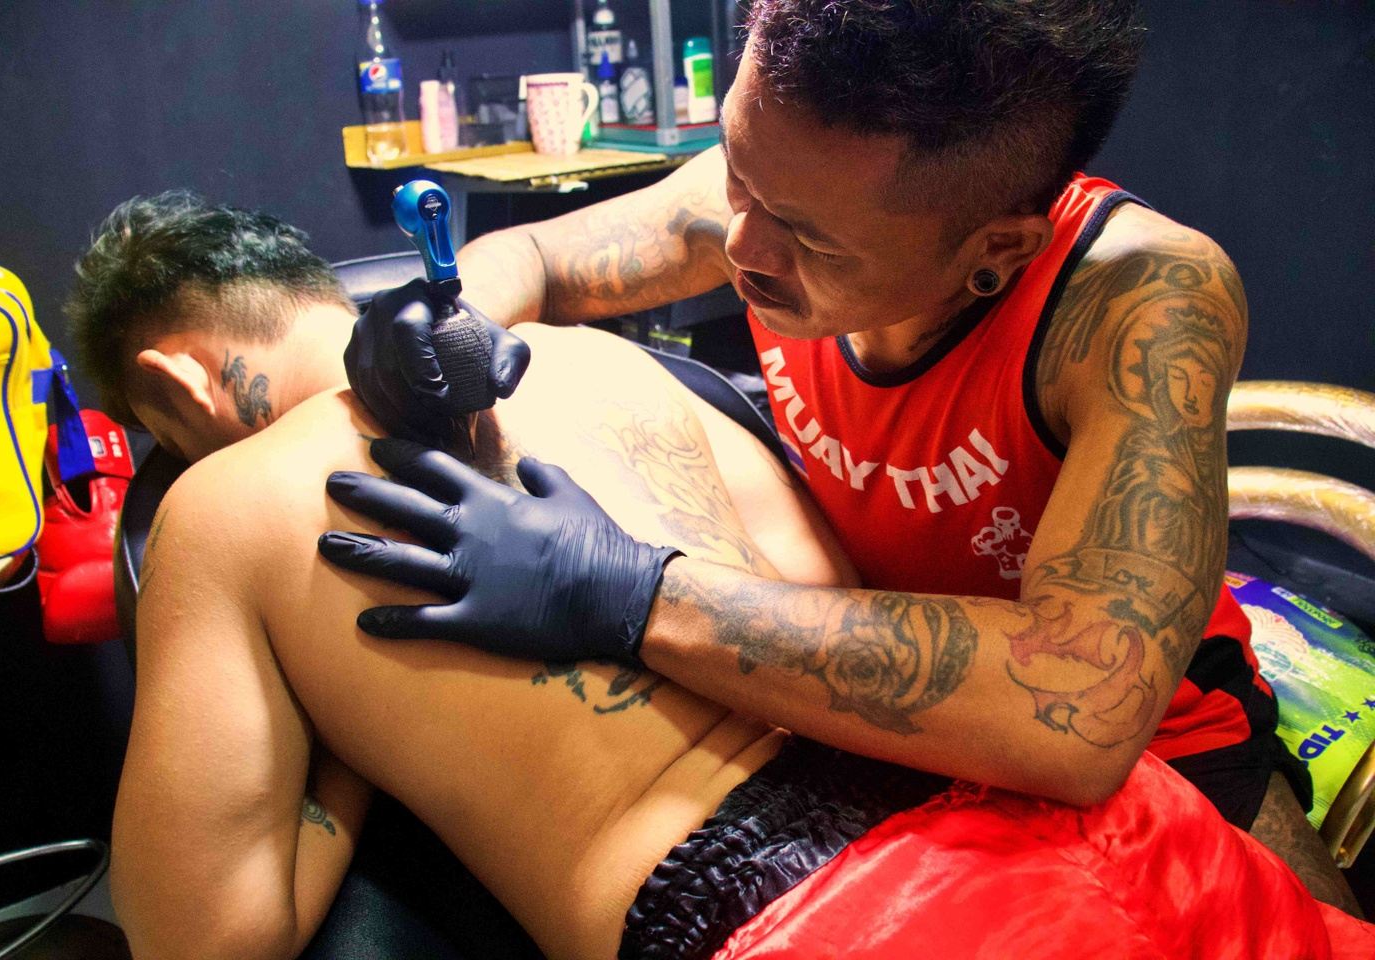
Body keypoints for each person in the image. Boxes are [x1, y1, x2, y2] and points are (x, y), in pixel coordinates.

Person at [67, 193, 1374, 960]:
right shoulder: (610, 361)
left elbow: (207, 941)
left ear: (177, 384)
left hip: (839, 923)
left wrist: (336, 732)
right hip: (1079, 821)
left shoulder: (219, 515)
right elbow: (833, 592)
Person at [325, 0, 1359, 912]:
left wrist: (634, 595)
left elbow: (1075, 716)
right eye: (737, 174)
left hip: (1151, 755)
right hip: (871, 714)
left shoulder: (1144, 296)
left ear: (997, 249)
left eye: (811, 243)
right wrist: (445, 316)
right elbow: (539, 256)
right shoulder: (782, 183)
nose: (740, 246)